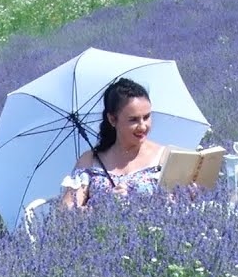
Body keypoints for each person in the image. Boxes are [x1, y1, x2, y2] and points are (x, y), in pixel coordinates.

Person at [61, 77, 167, 208]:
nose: (143, 126)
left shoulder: (163, 158)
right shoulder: (91, 161)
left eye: (146, 117)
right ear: (112, 119)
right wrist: (104, 206)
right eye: (133, 120)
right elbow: (65, 212)